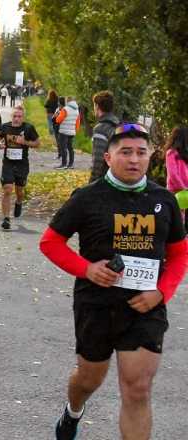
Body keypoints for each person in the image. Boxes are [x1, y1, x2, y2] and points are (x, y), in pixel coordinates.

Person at [40, 123, 187, 440]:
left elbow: (179, 254)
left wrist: (161, 292)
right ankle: (73, 410)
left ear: (151, 156)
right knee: (89, 379)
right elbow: (50, 242)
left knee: (138, 389)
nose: (134, 159)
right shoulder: (88, 198)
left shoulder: (164, 200)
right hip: (97, 305)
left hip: (145, 307)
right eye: (125, 152)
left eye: (141, 152)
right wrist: (87, 269)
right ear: (108, 157)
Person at [0, 106, 40, 230]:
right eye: (14, 116)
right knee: (7, 189)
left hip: (22, 164)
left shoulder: (28, 128)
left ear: (23, 117)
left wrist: (25, 142)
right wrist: (0, 143)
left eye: (19, 116)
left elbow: (37, 143)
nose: (16, 119)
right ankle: (6, 219)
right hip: (8, 163)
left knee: (19, 191)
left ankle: (19, 202)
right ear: (11, 116)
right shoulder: (5, 127)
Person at [90, 91, 119, 181]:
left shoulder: (100, 129)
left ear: (97, 106)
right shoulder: (118, 124)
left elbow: (98, 160)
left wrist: (92, 182)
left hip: (105, 178)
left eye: (94, 105)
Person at [54, 96, 81, 169]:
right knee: (70, 148)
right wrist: (75, 130)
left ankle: (64, 164)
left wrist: (57, 116)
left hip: (64, 131)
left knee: (63, 148)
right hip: (72, 132)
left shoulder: (65, 109)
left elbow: (58, 120)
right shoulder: (77, 110)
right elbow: (78, 122)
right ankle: (71, 164)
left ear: (67, 101)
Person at [166, 127, 188, 208]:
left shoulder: (184, 154)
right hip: (175, 190)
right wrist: (183, 187)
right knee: (177, 214)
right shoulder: (171, 153)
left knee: (180, 214)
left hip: (184, 190)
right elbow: (173, 174)